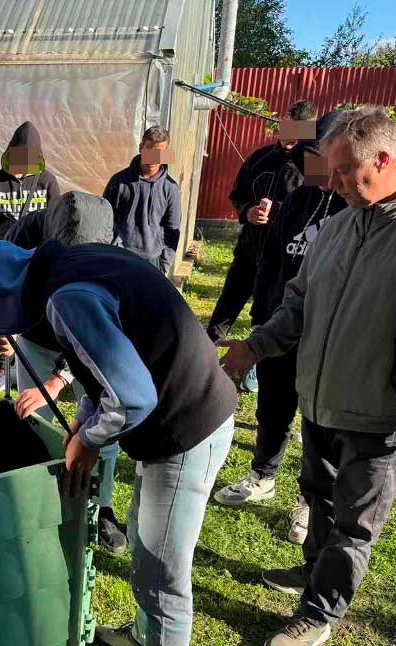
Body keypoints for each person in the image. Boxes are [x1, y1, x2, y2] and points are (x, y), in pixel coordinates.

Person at [219, 106, 396, 646]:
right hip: (319, 398)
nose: (334, 183)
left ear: (385, 159)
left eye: (345, 172)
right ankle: (311, 571)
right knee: (318, 497)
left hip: (380, 411)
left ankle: (319, 613)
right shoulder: (340, 223)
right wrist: (255, 345)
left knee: (354, 523)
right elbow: (298, 302)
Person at [0, 237, 238, 646]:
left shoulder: (65, 300)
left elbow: (132, 396)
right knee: (146, 544)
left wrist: (86, 440)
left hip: (185, 427)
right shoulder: (69, 264)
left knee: (160, 570)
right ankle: (144, 637)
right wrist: (84, 420)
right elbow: (103, 364)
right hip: (178, 414)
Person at [213, 111, 348, 546]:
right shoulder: (296, 201)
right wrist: (260, 318)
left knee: (318, 421)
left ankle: (310, 500)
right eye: (312, 158)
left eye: (324, 160)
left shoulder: (356, 209)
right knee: (273, 406)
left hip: (326, 339)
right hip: (277, 324)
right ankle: (262, 475)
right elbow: (269, 263)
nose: (317, 170)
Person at [0, 191, 127, 553]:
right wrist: (3, 326)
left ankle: (98, 506)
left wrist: (58, 380)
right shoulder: (24, 236)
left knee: (104, 427)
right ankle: (36, 502)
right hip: (37, 336)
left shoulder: (113, 257)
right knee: (33, 418)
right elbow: (1, 287)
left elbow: (100, 339)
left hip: (87, 341)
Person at [207, 99, 318, 393]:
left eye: (298, 129)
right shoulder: (259, 158)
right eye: (286, 124)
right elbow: (238, 194)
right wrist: (247, 212)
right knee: (227, 305)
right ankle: (204, 359)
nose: (288, 133)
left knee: (270, 313)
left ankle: (256, 369)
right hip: (249, 248)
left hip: (285, 259)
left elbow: (321, 206)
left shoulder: (314, 165)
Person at [0, 120, 61, 396]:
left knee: (32, 323)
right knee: (5, 324)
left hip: (35, 266)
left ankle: (38, 372)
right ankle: (3, 371)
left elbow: (56, 224)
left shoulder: (47, 181)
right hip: (5, 266)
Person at [102, 125, 181, 275]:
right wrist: (112, 248)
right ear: (140, 147)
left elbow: (173, 229)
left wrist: (164, 264)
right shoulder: (119, 181)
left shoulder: (170, 188)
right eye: (149, 150)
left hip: (153, 262)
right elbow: (104, 218)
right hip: (121, 257)